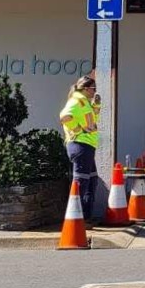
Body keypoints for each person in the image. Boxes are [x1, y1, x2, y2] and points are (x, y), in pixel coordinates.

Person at [59, 75, 101, 223]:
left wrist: (96, 106)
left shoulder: (85, 102)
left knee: (91, 180)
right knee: (81, 181)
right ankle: (76, 219)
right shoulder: (77, 100)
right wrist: (78, 130)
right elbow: (64, 117)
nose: (95, 91)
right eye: (93, 89)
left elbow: (90, 118)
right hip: (80, 145)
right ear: (86, 88)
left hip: (87, 146)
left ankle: (86, 216)